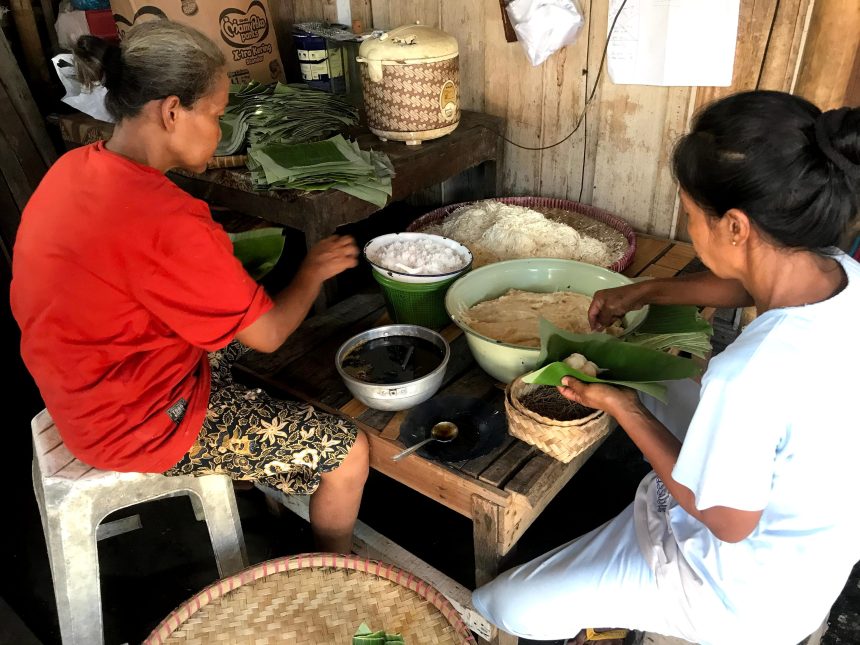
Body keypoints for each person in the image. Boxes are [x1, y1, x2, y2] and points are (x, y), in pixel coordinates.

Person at [472, 91, 860, 644]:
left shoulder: (750, 374)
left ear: (735, 227)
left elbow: (727, 522)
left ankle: (624, 603)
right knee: (665, 376)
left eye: (690, 215)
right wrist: (646, 290)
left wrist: (623, 407)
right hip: (813, 549)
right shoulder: (841, 274)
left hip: (739, 589)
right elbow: (748, 284)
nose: (689, 227)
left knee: (504, 604)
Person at [10, 22, 369, 555]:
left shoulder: (74, 167)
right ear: (172, 111)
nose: (221, 131)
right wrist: (312, 271)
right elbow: (269, 333)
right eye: (217, 114)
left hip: (81, 390)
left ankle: (250, 473)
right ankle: (337, 572)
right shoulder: (166, 219)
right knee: (348, 452)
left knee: (238, 338)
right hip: (134, 424)